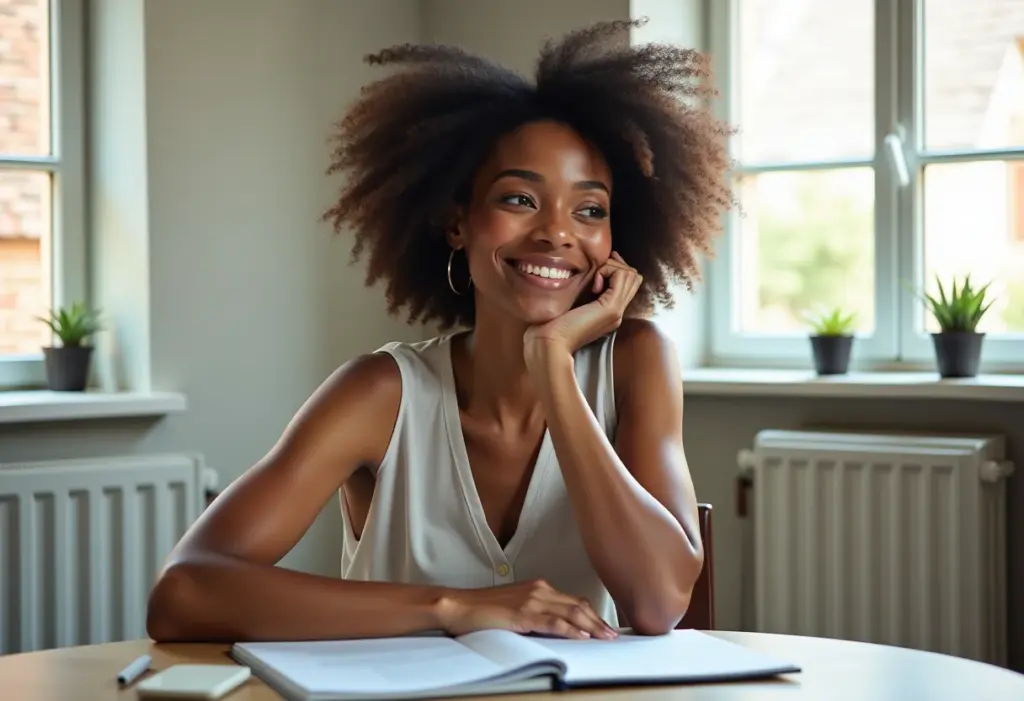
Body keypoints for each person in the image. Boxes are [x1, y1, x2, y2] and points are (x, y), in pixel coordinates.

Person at [145, 18, 733, 644]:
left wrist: (553, 364)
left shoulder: (636, 362)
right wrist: (455, 607)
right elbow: (183, 593)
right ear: (458, 223)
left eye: (590, 210)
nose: (557, 233)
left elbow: (658, 603)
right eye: (519, 199)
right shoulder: (380, 394)